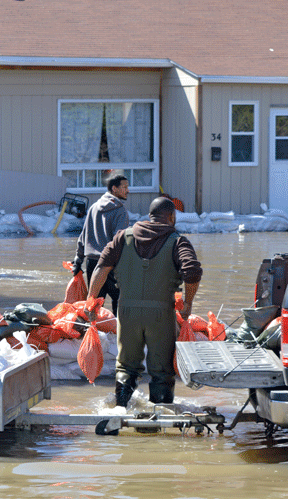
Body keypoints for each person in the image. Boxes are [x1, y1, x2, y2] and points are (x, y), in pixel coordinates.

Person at [84, 197, 202, 407]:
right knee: (161, 370)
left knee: (126, 367)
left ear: (150, 216)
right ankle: (160, 417)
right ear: (172, 217)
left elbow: (100, 267)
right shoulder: (177, 241)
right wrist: (188, 303)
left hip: (126, 314)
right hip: (161, 316)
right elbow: (192, 272)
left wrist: (92, 301)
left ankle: (119, 410)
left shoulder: (122, 237)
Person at [70, 174, 130, 313]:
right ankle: (117, 332)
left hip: (92, 264)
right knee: (121, 300)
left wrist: (78, 260)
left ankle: (95, 332)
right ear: (114, 188)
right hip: (110, 264)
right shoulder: (120, 211)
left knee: (94, 304)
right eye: (125, 187)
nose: (128, 190)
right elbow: (119, 240)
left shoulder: (94, 207)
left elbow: (83, 236)